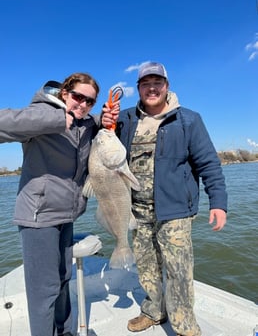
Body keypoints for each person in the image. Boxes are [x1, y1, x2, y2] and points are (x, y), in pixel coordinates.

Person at [110, 62, 227, 336]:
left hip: (175, 212)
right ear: (138, 88)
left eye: (157, 82)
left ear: (167, 86)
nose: (152, 88)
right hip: (135, 211)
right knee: (147, 267)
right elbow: (104, 148)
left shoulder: (188, 120)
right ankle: (153, 310)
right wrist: (107, 121)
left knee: (179, 271)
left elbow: (208, 164)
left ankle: (184, 324)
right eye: (145, 83)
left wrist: (218, 203)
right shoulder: (125, 120)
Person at [0, 72, 119, 336]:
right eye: (78, 97)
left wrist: (103, 119)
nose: (83, 104)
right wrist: (53, 118)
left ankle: (65, 332)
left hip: (66, 216)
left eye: (90, 101)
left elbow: (91, 123)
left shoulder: (85, 123)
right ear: (64, 93)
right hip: (37, 217)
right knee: (45, 291)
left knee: (63, 281)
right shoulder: (41, 115)